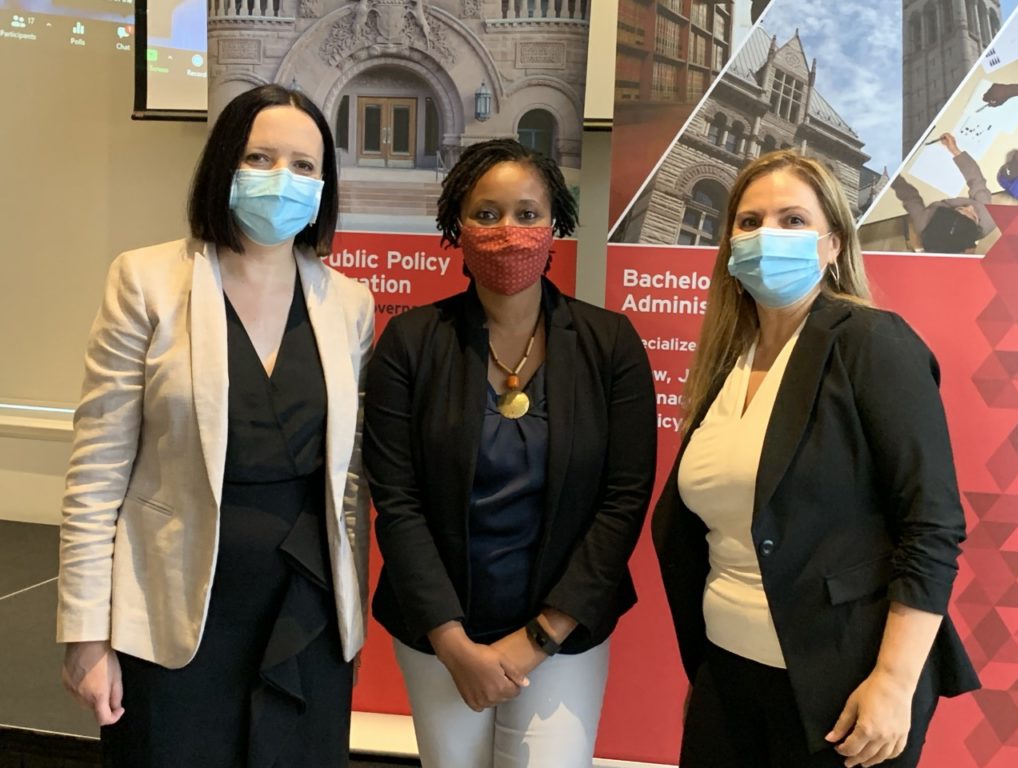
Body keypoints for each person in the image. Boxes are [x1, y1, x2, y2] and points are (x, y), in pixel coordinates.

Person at [57, 84, 374, 767]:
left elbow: (349, 481)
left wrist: (355, 615)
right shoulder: (145, 280)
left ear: (324, 185)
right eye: (260, 157)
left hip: (306, 610)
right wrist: (85, 633)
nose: (281, 179)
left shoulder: (348, 302)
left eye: (303, 165)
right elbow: (96, 469)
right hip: (172, 612)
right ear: (223, 162)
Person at [652, 150, 979, 768]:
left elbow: (931, 527)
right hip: (728, 680)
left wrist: (894, 681)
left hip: (843, 690)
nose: (765, 235)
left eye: (792, 220)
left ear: (833, 245)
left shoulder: (872, 343)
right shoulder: (728, 363)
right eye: (748, 222)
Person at [364, 138, 657, 768]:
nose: (509, 231)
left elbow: (623, 501)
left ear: (556, 226)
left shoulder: (610, 344)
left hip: (564, 632)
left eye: (527, 214)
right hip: (440, 636)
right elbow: (397, 500)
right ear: (457, 228)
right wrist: (453, 642)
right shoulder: (410, 342)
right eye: (487, 213)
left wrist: (538, 639)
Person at [891, 133, 996, 254]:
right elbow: (976, 180)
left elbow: (910, 197)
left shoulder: (923, 223)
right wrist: (955, 150)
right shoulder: (988, 215)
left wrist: (892, 178)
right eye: (971, 216)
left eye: (962, 210)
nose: (971, 207)